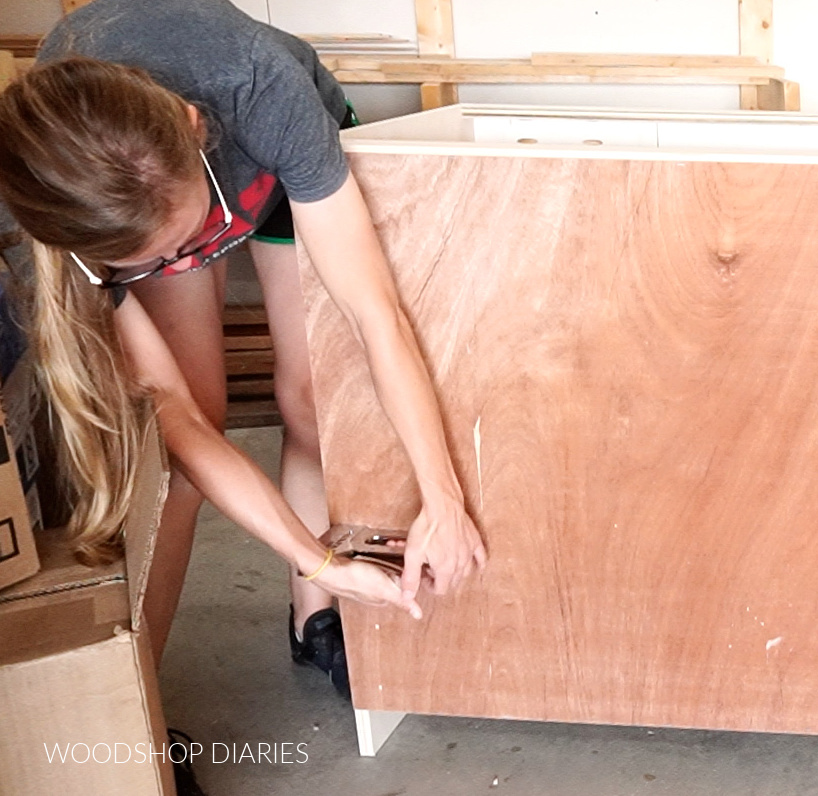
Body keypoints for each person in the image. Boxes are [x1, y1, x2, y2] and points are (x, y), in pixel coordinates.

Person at [0, 0, 486, 702]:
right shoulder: (55, 207)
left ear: (197, 131)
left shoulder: (260, 88)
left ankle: (312, 619)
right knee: (182, 473)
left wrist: (442, 499)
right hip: (150, 199)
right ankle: (137, 716)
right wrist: (321, 560)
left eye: (188, 236)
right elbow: (185, 424)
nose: (188, 256)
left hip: (266, 160)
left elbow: (373, 315)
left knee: (311, 398)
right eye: (155, 259)